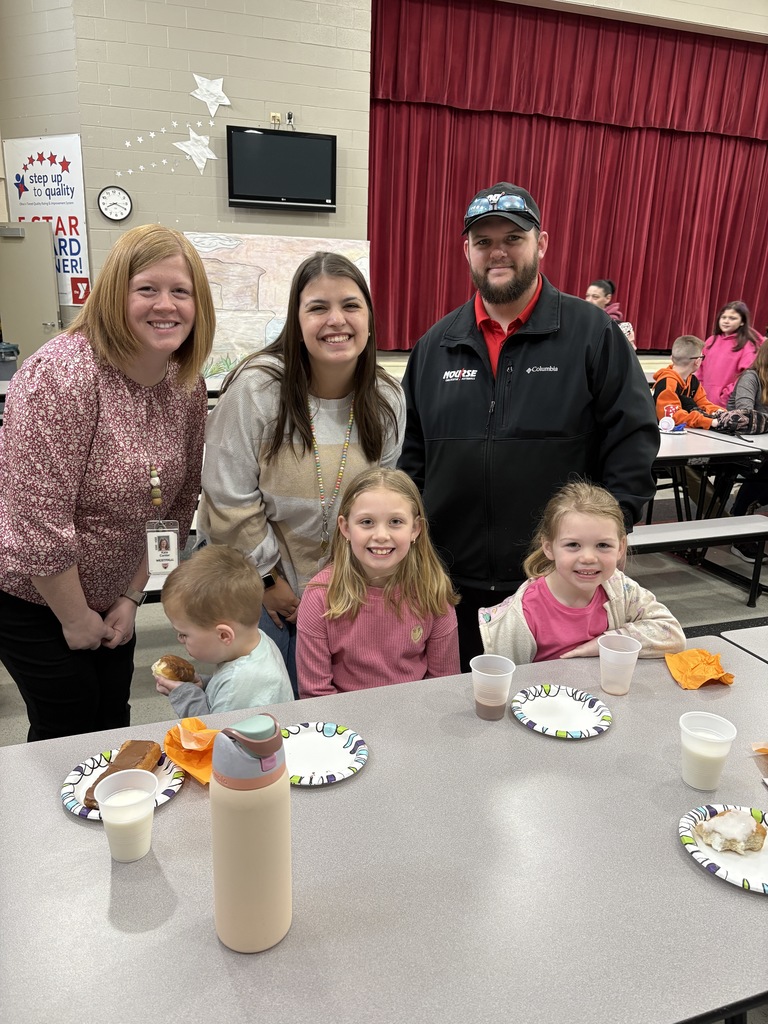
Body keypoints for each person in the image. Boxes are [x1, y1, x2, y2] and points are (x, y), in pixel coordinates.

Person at [398, 181, 658, 670]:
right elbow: (410, 459)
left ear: (541, 244)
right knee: (464, 717)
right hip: (451, 585)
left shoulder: (591, 333)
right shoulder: (435, 346)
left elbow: (634, 439)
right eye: (483, 241)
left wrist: (608, 537)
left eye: (513, 238)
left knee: (561, 717)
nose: (498, 252)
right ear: (466, 251)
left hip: (560, 586)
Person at [0, 224, 214, 741]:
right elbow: (38, 521)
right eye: (147, 289)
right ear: (116, 293)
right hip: (34, 598)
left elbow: (179, 505)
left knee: (113, 719)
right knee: (69, 723)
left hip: (114, 596)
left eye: (180, 291)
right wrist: (76, 619)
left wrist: (132, 597)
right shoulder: (62, 374)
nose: (166, 305)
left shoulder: (184, 384)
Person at [198, 252, 406, 694]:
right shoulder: (258, 389)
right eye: (318, 307)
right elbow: (228, 498)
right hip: (259, 584)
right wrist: (269, 581)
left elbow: (383, 501)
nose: (337, 320)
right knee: (270, 706)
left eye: (351, 305)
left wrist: (343, 581)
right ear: (296, 320)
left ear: (369, 318)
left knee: (342, 699)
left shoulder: (386, 397)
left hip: (346, 584)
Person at [478, 481, 685, 664]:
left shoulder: (621, 590)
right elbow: (505, 682)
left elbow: (672, 634)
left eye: (603, 545)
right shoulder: (522, 615)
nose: (588, 557)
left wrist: (603, 644)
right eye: (573, 545)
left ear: (621, 547)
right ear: (549, 547)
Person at [296, 468, 460, 696]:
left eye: (395, 521)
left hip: (417, 715)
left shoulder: (433, 592)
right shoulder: (319, 596)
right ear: (345, 528)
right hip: (344, 723)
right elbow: (315, 693)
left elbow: (444, 684)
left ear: (415, 529)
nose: (381, 535)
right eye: (366, 522)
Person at [154, 545, 293, 716]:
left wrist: (187, 696)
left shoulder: (242, 683)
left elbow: (212, 736)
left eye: (184, 634)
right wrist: (204, 684)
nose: (180, 639)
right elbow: (225, 689)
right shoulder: (258, 641)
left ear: (224, 635)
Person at [698, 300, 763, 408]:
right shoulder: (710, 341)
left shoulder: (747, 345)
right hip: (703, 402)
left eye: (732, 318)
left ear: (742, 322)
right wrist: (699, 392)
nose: (726, 321)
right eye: (724, 317)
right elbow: (699, 369)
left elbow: (746, 376)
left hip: (727, 405)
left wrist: (726, 396)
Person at [652, 336, 726, 429]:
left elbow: (703, 404)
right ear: (698, 361)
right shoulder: (667, 383)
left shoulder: (692, 381)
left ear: (672, 358)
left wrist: (722, 413)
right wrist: (710, 422)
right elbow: (673, 416)